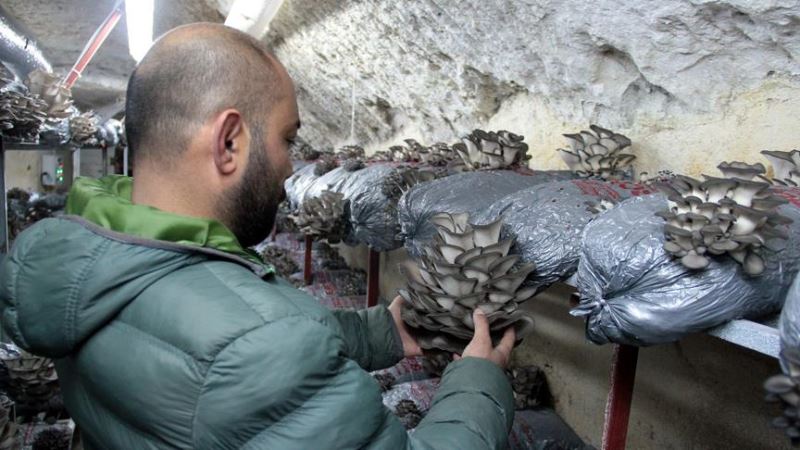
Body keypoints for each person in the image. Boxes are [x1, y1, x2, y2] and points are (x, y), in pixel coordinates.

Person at [0, 23, 516, 449]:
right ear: (229, 142)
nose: (291, 167)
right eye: (287, 139)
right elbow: (247, 346)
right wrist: (479, 381)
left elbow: (200, 344)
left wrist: (378, 333)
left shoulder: (93, 259)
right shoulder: (261, 342)